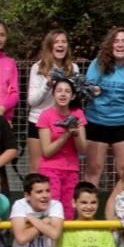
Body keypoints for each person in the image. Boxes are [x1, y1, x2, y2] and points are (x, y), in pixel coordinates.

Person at [83, 27, 124, 188]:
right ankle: (86, 210)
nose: (120, 45)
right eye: (116, 41)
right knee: (94, 168)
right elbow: (86, 88)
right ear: (110, 45)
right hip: (97, 121)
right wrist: (94, 90)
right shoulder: (98, 63)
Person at [26, 29, 78, 173]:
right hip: (37, 121)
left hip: (62, 122)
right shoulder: (38, 67)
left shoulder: (73, 68)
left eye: (63, 41)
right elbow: (32, 101)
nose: (60, 45)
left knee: (60, 166)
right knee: (36, 168)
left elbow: (74, 99)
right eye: (56, 42)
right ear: (49, 46)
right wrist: (47, 85)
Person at [37, 78, 87, 219]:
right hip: (50, 168)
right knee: (52, 209)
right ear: (53, 94)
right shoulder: (45, 115)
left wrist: (75, 133)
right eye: (59, 91)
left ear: (73, 96)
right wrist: (65, 135)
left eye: (67, 91)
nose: (63, 94)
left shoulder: (77, 114)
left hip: (71, 169)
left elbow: (83, 150)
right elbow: (46, 152)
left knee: (69, 211)